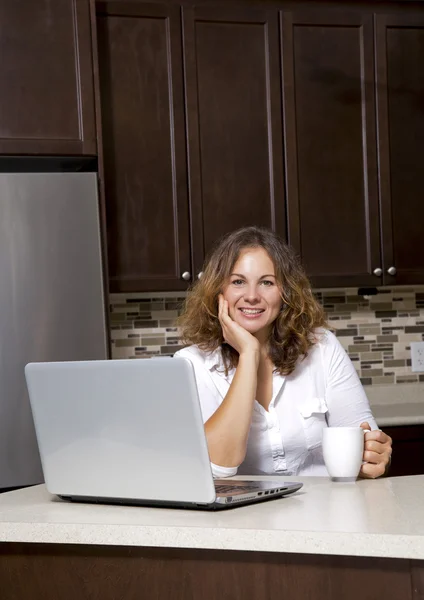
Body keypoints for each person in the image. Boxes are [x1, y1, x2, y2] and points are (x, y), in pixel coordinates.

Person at [175, 226, 392, 478]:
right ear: (219, 292)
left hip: (324, 511)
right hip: (241, 518)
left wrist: (373, 457)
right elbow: (218, 467)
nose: (252, 296)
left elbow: (361, 438)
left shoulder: (322, 347)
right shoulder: (191, 364)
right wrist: (248, 354)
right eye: (238, 282)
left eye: (267, 282)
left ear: (285, 291)